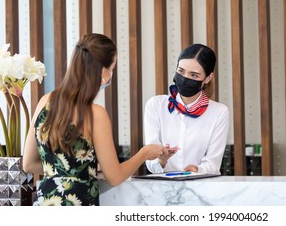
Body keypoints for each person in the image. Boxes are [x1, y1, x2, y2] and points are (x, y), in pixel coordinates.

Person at [22, 33, 167, 206]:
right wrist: (144, 153)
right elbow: (115, 177)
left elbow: (29, 164)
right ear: (103, 72)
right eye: (112, 68)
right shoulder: (95, 114)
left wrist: (78, 169)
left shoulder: (44, 101)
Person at [144, 43, 230, 175]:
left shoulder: (219, 112)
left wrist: (197, 170)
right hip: (162, 188)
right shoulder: (155, 105)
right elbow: (150, 162)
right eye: (181, 71)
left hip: (201, 188)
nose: (185, 79)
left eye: (194, 75)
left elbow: (213, 164)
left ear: (208, 78)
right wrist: (161, 160)